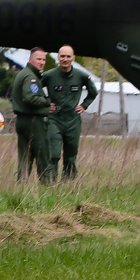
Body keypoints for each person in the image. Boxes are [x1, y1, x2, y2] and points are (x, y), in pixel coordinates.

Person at [43, 45, 99, 180]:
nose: (65, 59)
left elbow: (93, 92)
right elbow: (34, 90)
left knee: (70, 155)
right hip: (54, 119)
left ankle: (68, 183)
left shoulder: (81, 76)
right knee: (54, 154)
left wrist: (84, 105)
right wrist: (45, 104)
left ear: (73, 58)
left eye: (68, 56)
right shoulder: (49, 75)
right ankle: (49, 183)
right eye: (62, 56)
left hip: (73, 121)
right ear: (58, 57)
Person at [10, 47, 55, 183]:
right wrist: (46, 102)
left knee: (25, 157)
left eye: (43, 60)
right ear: (30, 60)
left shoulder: (23, 73)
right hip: (33, 121)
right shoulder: (31, 77)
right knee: (43, 155)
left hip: (22, 120)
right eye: (38, 59)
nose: (41, 62)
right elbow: (29, 98)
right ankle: (47, 188)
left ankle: (21, 187)